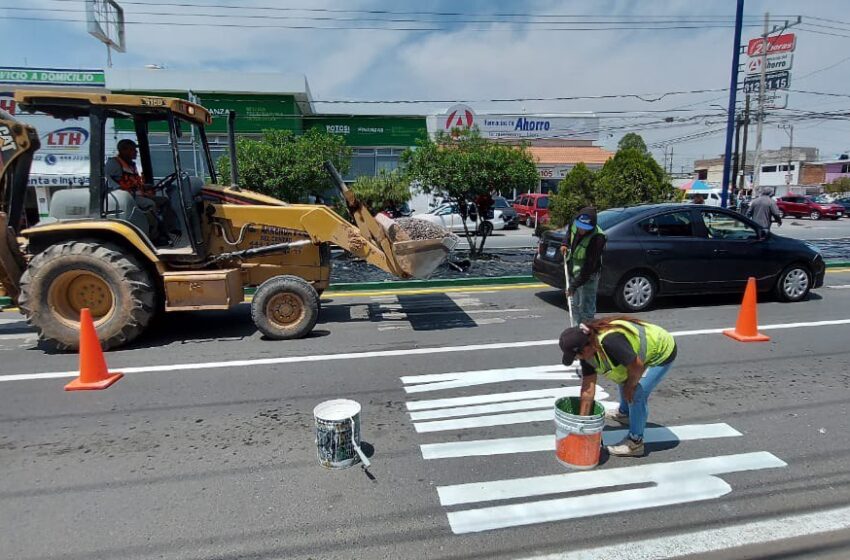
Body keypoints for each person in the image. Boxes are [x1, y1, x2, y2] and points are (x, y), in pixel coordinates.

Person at [559, 316, 677, 457]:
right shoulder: (588, 354)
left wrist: (630, 385)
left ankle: (635, 443)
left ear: (588, 344)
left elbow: (636, 366)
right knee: (621, 375)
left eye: (578, 354)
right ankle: (624, 414)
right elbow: (588, 389)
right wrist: (582, 425)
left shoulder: (611, 342)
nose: (579, 358)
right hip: (633, 357)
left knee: (636, 394)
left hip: (660, 350)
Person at [105, 139, 180, 244]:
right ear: (123, 150)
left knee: (164, 201)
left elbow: (133, 182)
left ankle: (171, 230)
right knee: (150, 204)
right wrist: (127, 192)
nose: (136, 152)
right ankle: (153, 237)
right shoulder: (114, 164)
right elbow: (109, 181)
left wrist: (145, 186)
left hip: (138, 194)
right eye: (132, 150)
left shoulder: (131, 164)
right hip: (126, 197)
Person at [560, 207, 606, 326]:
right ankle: (575, 332)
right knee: (574, 305)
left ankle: (586, 335)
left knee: (586, 310)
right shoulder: (574, 222)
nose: (581, 230)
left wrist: (573, 286)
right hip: (574, 271)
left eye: (585, 229)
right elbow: (569, 232)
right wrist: (565, 243)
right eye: (580, 226)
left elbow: (589, 267)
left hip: (589, 275)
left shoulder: (598, 238)